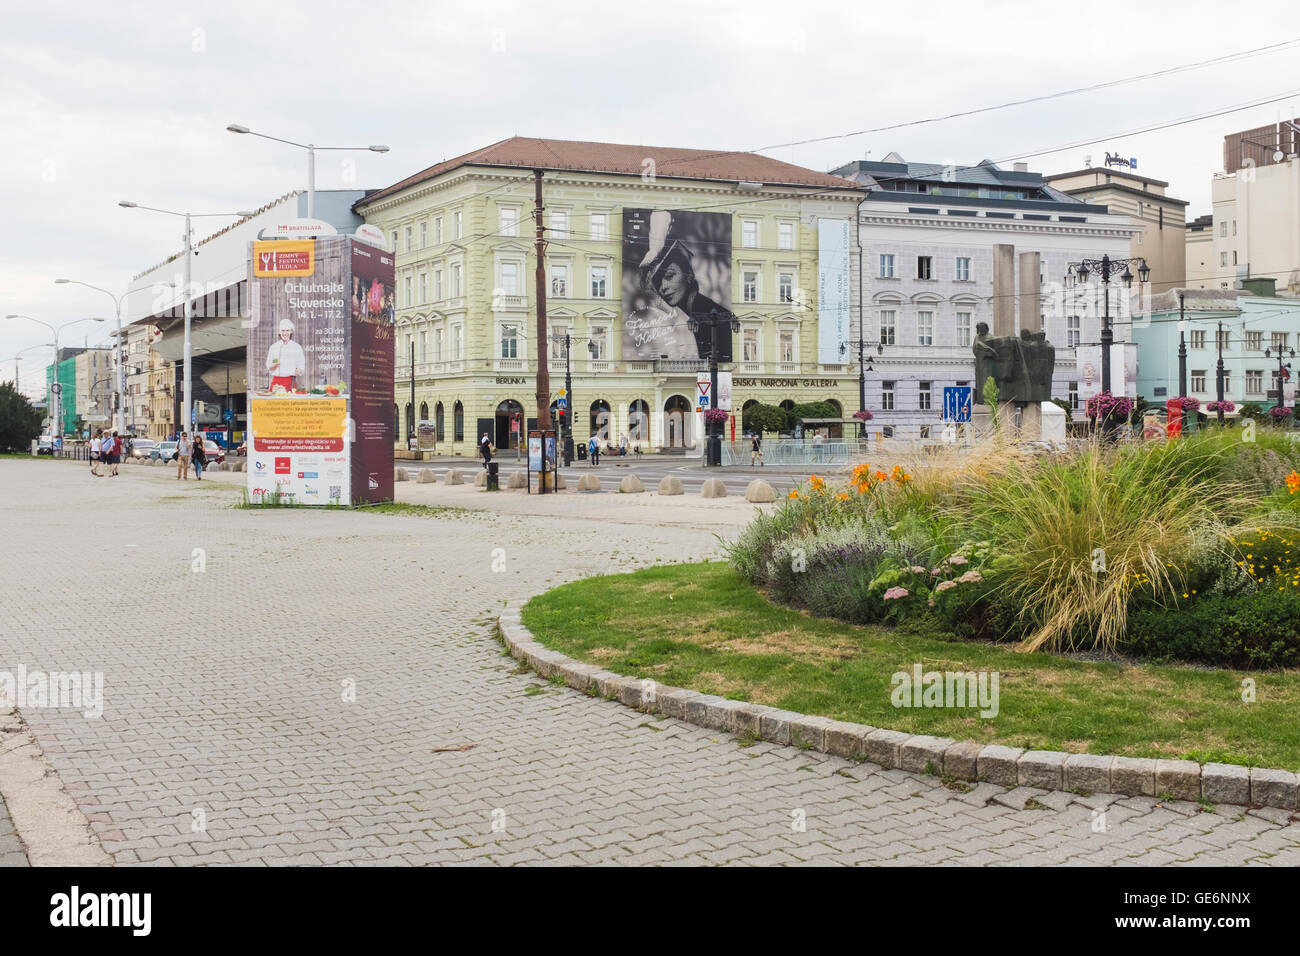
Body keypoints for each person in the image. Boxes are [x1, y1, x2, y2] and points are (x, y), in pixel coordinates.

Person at [265, 318, 306, 393]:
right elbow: (269, 365)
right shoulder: (274, 347)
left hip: (290, 381)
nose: (285, 333)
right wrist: (274, 365)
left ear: (291, 332)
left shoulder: (296, 347)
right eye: (283, 331)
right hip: (276, 382)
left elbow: (301, 364)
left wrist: (299, 369)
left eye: (287, 330)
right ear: (279, 332)